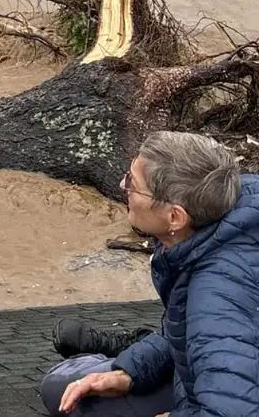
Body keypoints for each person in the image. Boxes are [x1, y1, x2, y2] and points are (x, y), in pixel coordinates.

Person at [39, 130, 259, 417]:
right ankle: (130, 348)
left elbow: (233, 408)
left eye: (133, 183)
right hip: (221, 377)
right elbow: (196, 331)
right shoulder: (228, 216)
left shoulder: (216, 291)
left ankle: (126, 345)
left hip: (225, 394)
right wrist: (130, 372)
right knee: (63, 387)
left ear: (175, 217)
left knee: (66, 392)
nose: (122, 185)